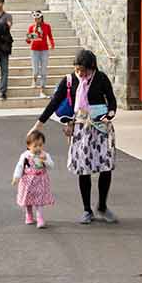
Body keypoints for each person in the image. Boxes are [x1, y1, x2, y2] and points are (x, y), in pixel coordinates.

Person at [32, 49, 118, 225]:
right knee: (83, 169)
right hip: (81, 130)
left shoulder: (101, 78)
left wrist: (108, 115)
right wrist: (39, 123)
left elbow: (112, 101)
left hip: (101, 128)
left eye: (83, 70)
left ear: (92, 68)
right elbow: (55, 101)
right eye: (77, 69)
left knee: (106, 167)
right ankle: (87, 210)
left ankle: (102, 206)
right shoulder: (70, 80)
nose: (80, 73)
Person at [11, 128, 56, 229]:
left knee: (39, 200)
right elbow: (20, 166)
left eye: (40, 145)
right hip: (27, 181)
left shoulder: (45, 155)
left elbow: (51, 166)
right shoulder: (25, 156)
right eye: (35, 146)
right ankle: (29, 215)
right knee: (28, 199)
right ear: (29, 146)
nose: (38, 148)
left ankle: (40, 218)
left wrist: (45, 161)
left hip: (40, 180)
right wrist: (16, 177)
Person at [26, 9, 55, 94]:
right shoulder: (31, 27)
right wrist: (30, 36)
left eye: (38, 18)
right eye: (35, 19)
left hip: (44, 49)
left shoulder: (47, 26)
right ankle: (34, 79)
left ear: (41, 18)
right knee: (35, 69)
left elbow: (50, 36)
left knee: (43, 69)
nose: (36, 20)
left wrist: (52, 44)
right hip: (34, 49)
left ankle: (42, 86)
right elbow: (28, 41)